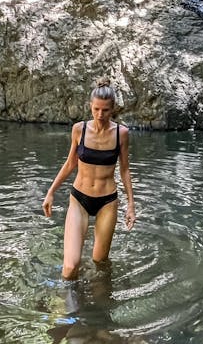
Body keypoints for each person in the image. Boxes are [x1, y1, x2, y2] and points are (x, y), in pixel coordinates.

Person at [42, 78, 136, 279]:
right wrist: (50, 193)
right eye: (96, 109)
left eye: (105, 110)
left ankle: (95, 302)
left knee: (100, 263)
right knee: (69, 267)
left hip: (107, 201)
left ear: (113, 110)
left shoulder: (121, 134)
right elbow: (70, 164)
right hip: (79, 199)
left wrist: (130, 205)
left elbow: (125, 170)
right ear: (90, 107)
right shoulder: (79, 129)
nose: (100, 115)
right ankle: (65, 305)